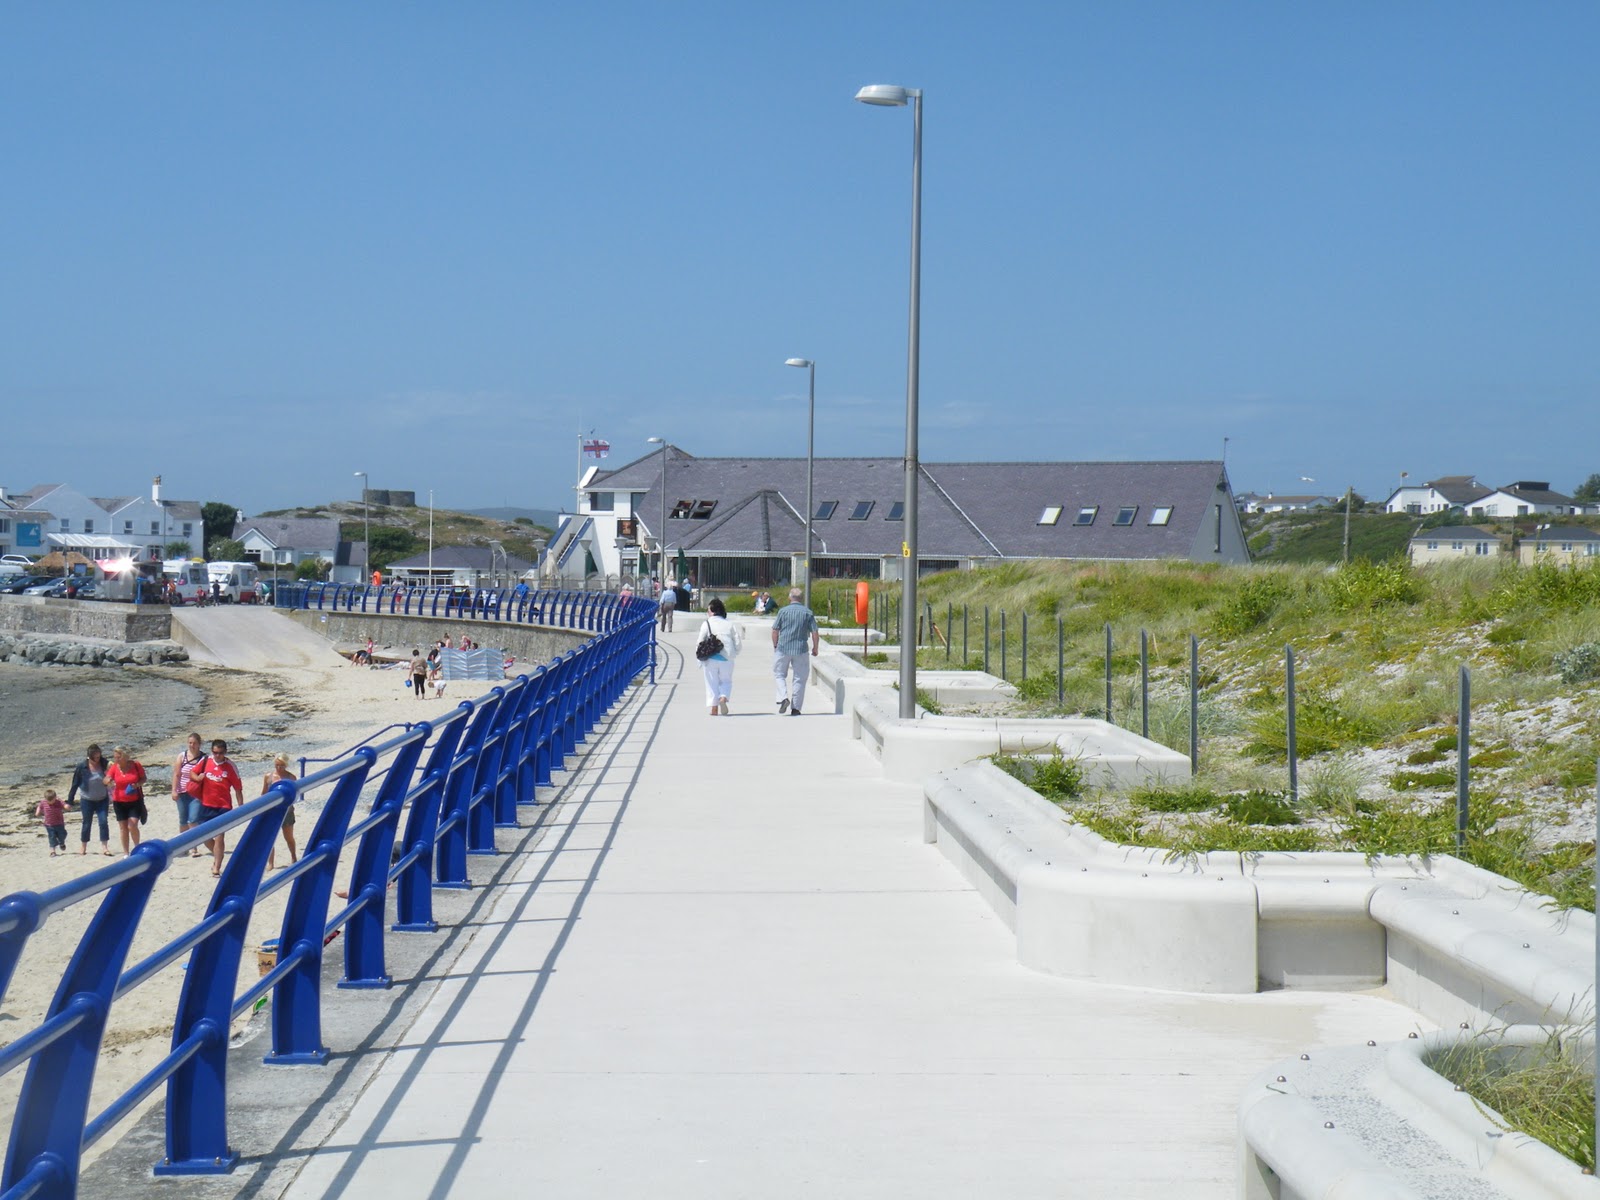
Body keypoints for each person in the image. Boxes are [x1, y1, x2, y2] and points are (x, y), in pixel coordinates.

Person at [194, 739, 244, 877]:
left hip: (223, 806)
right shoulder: (205, 761)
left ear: (225, 752)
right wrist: (198, 778)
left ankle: (216, 866)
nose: (217, 755)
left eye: (220, 753)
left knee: (219, 836)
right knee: (203, 836)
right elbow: (193, 773)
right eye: (215, 752)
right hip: (206, 804)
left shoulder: (230, 766)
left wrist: (241, 807)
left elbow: (238, 789)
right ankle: (218, 854)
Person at [771, 587, 821, 716]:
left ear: (790, 597)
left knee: (779, 674)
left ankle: (783, 697)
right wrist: (815, 647)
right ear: (801, 598)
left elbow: (775, 630)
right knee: (800, 678)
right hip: (801, 649)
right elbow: (814, 632)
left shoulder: (783, 611)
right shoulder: (807, 612)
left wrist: (775, 645)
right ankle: (796, 708)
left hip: (783, 647)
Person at [697, 597, 741, 716]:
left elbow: (700, 641)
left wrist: (699, 657)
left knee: (711, 683)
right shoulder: (729, 624)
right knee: (726, 680)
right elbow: (737, 642)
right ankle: (723, 697)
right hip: (727, 657)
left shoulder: (706, 623)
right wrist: (735, 652)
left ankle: (714, 708)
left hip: (710, 657)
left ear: (711, 611)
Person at [68, 743, 113, 856]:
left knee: (103, 822)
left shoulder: (104, 763)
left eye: (99, 756)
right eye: (95, 757)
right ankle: (83, 846)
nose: (98, 759)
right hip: (87, 800)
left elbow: (115, 770)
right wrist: (70, 801)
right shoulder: (82, 767)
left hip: (102, 799)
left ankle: (105, 847)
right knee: (87, 823)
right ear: (90, 756)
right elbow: (75, 784)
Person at [106, 745, 147, 857]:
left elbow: (143, 778)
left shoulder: (136, 765)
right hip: (119, 801)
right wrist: (108, 780)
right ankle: (126, 853)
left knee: (132, 825)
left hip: (134, 801)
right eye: (115, 757)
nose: (116, 759)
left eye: (118, 757)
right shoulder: (114, 767)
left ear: (125, 756)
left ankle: (137, 847)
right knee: (123, 828)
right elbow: (106, 779)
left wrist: (137, 784)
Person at [263, 753, 299, 870]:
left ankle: (293, 857)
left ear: (286, 765)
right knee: (270, 838)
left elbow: (295, 795)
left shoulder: (291, 778)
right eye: (277, 765)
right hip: (271, 811)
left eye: (282, 765)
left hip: (287, 811)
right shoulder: (268, 777)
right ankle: (271, 863)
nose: (279, 768)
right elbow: (264, 794)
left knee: (288, 837)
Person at [172, 732, 206, 855]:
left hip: (196, 793)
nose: (192, 745)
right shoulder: (182, 756)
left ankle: (193, 847)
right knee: (183, 820)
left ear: (199, 744)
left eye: (194, 743)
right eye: (190, 743)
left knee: (193, 819)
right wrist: (174, 790)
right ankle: (183, 846)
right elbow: (177, 774)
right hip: (181, 792)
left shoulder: (204, 758)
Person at [37, 788, 71, 856]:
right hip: (49, 824)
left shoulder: (58, 802)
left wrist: (67, 806)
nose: (50, 802)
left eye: (52, 800)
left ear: (55, 798)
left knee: (63, 834)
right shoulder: (43, 802)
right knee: (52, 837)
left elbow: (65, 806)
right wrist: (37, 812)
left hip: (59, 823)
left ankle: (61, 843)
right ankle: (53, 851)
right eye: (48, 801)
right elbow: (39, 807)